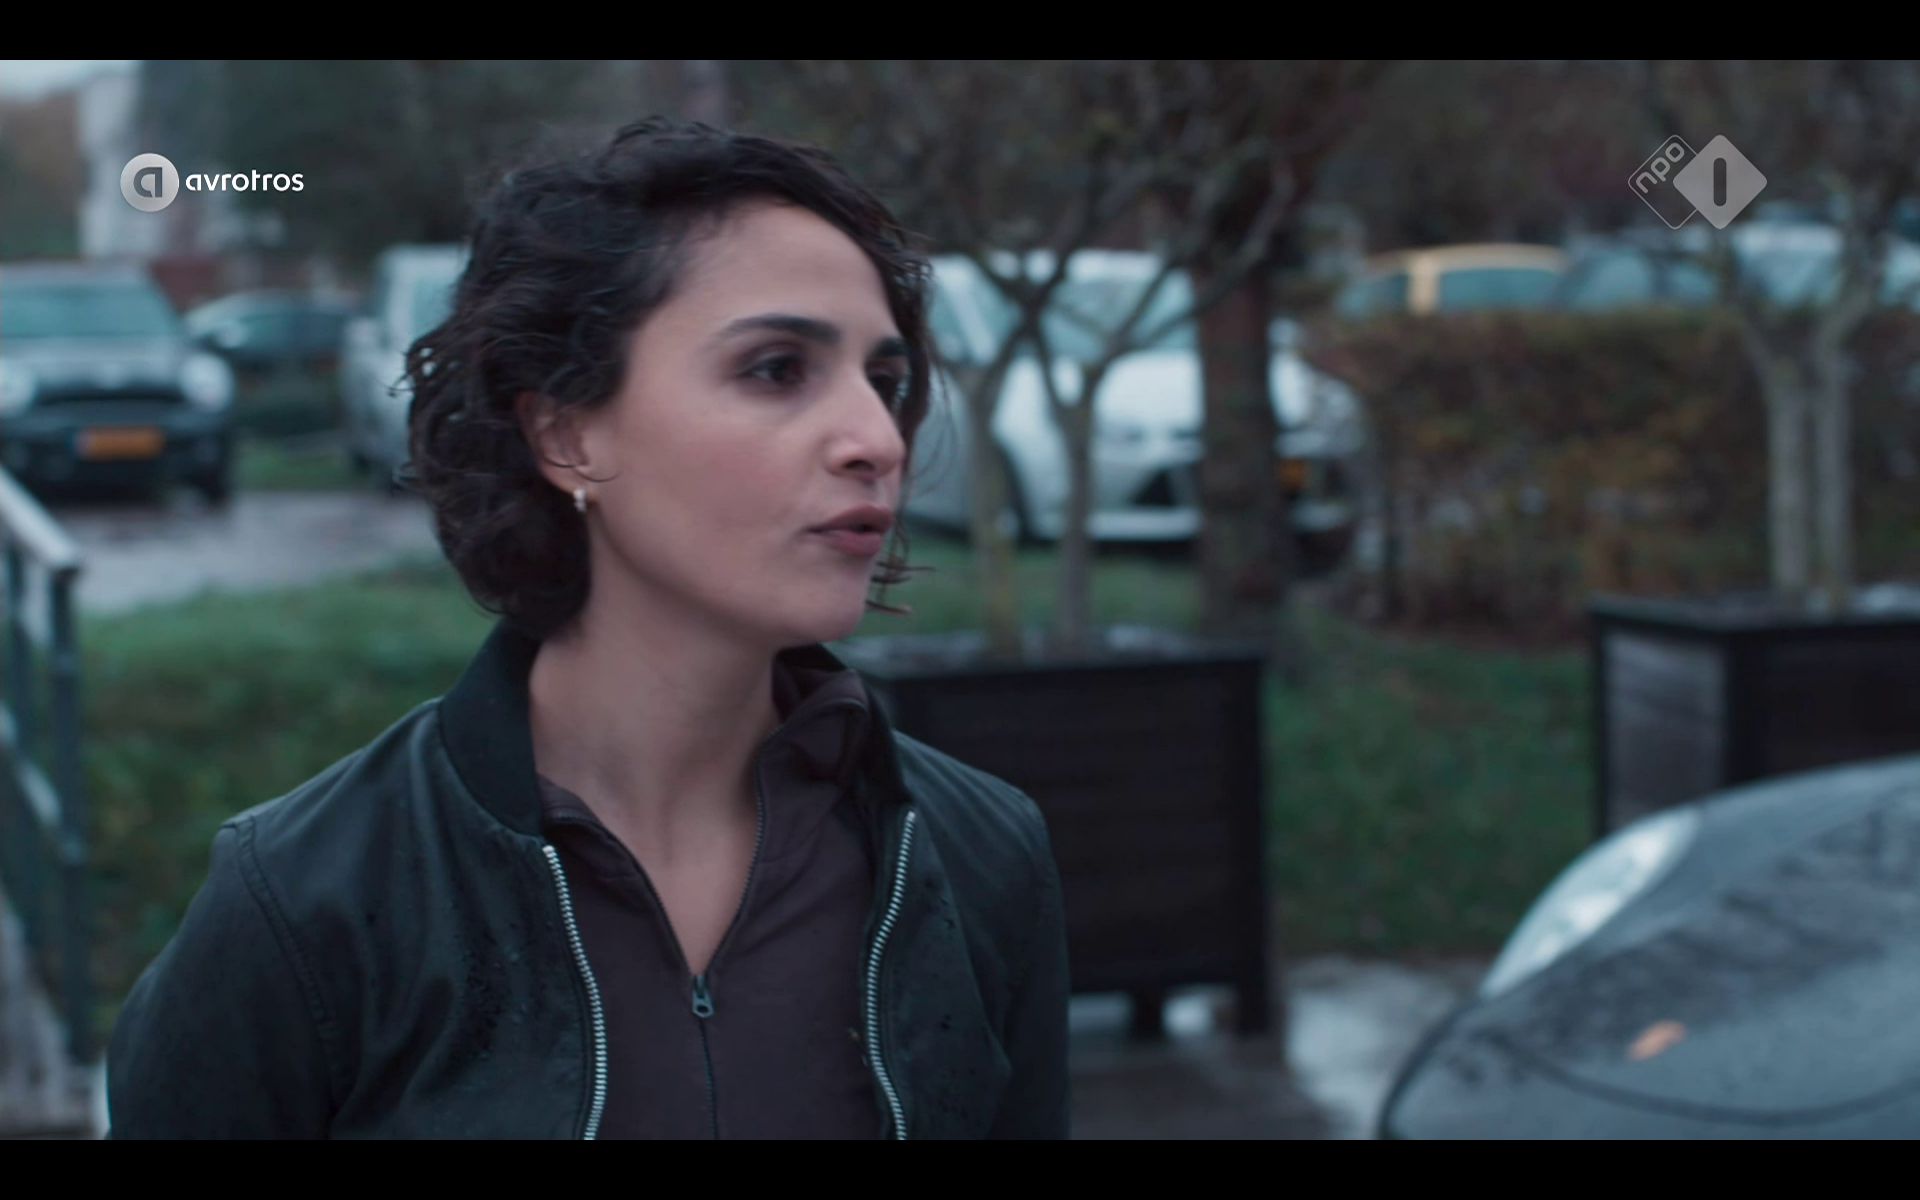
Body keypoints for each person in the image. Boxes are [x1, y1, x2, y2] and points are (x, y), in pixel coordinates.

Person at [104, 116, 1071, 1140]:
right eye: (777, 368)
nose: (877, 438)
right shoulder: (310, 900)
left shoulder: (976, 855)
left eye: (886, 381)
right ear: (565, 433)